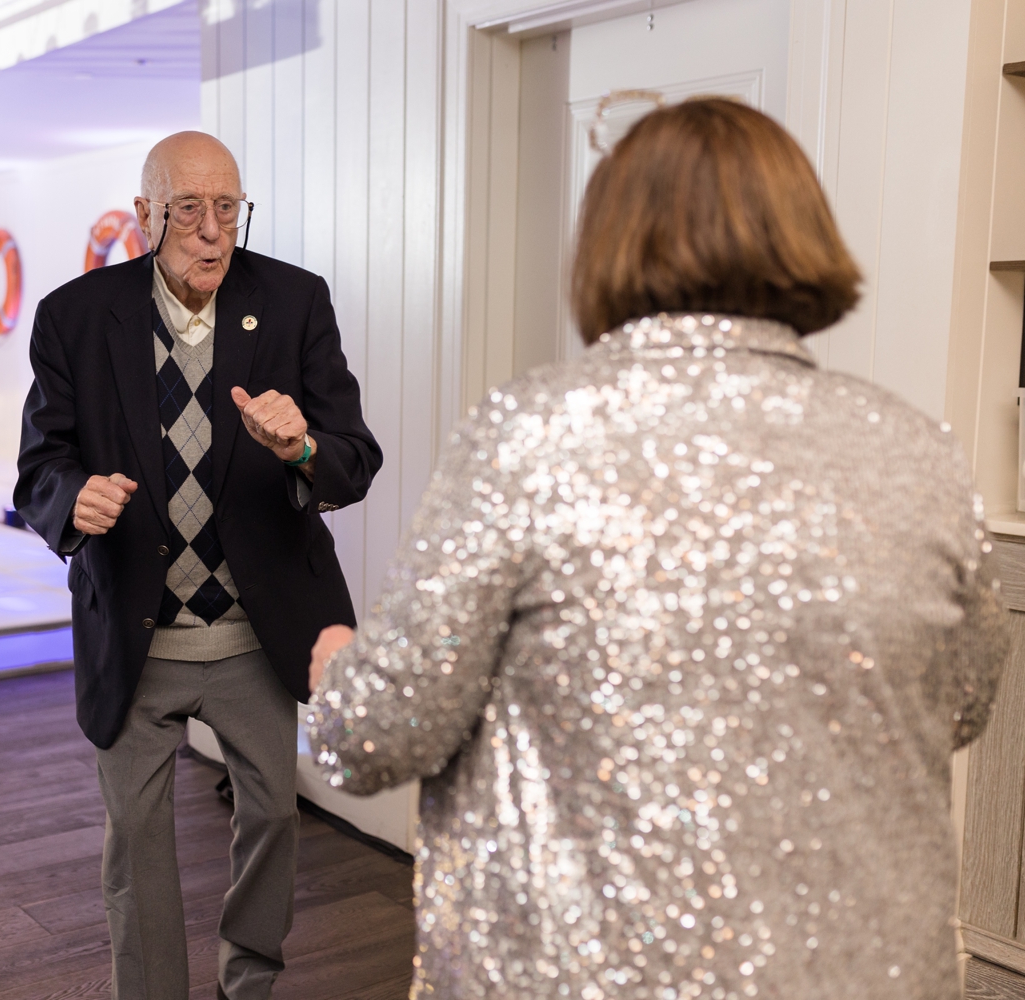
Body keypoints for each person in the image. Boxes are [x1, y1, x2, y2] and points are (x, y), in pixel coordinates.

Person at [306, 99, 1009, 999]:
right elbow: (958, 703)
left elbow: (373, 738)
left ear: (607, 242)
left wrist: (340, 676)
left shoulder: (533, 436)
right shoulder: (918, 450)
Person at [13, 131, 381, 1000]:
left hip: (257, 633)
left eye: (229, 208)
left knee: (274, 821)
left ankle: (248, 978)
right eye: (189, 210)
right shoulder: (75, 316)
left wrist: (302, 448)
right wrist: (72, 501)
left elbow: (353, 458)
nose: (213, 232)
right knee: (137, 842)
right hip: (136, 628)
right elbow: (40, 464)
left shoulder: (294, 302)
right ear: (147, 215)